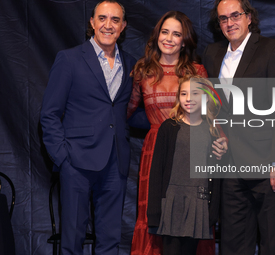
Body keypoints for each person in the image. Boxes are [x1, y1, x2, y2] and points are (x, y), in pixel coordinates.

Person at [202, 0, 275, 254]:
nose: (229, 22)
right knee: (233, 244)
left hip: (269, 165)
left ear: (249, 18)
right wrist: (217, 136)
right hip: (232, 165)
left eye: (235, 15)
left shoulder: (272, 49)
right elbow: (213, 106)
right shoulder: (213, 54)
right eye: (223, 18)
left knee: (271, 244)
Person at [40, 1, 136, 254]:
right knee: (72, 240)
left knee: (111, 240)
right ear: (92, 23)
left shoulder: (131, 64)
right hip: (77, 162)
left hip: (115, 161)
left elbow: (126, 112)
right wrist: (63, 158)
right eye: (102, 18)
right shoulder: (69, 59)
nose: (108, 24)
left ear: (123, 26)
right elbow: (49, 113)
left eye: (115, 20)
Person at [128, 11, 226, 255]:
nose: (169, 38)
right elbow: (125, 112)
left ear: (184, 41)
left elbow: (214, 114)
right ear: (157, 36)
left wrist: (221, 142)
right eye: (165, 32)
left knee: (193, 218)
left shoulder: (197, 71)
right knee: (155, 217)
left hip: (192, 151)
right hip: (155, 153)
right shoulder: (141, 70)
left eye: (176, 34)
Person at [147, 75, 225, 255]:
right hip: (172, 201)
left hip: (198, 201)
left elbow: (215, 173)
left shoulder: (211, 130)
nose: (188, 98)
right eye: (183, 93)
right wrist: (154, 211)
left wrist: (212, 210)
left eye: (195, 93)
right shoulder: (169, 127)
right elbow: (157, 171)